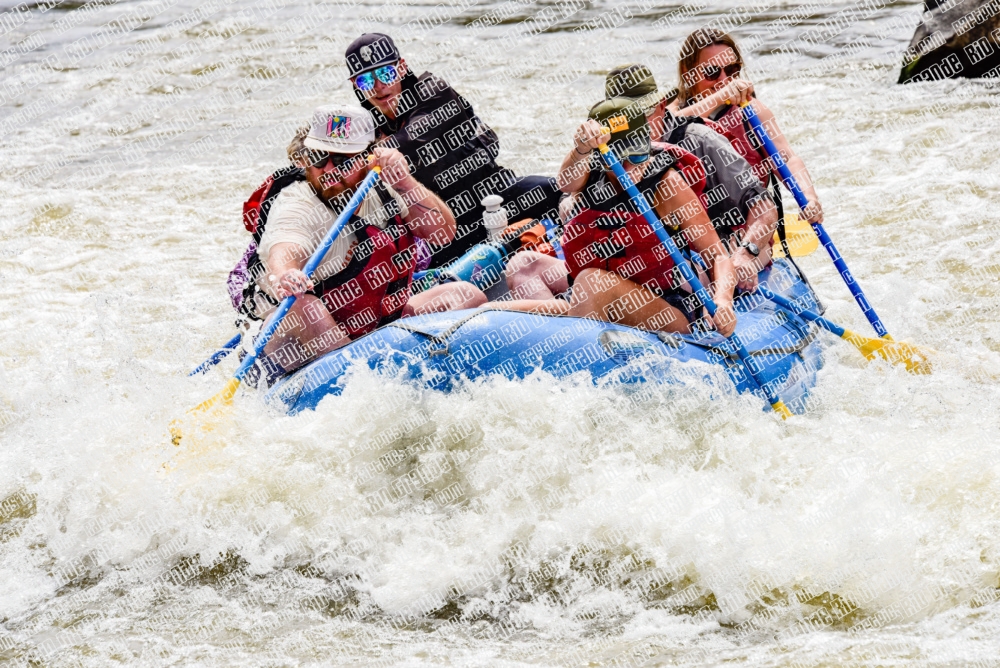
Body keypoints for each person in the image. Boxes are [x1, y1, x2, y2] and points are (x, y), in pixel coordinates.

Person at [243, 105, 487, 381]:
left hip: (372, 329)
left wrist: (405, 181)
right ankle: (364, 385)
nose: (329, 170)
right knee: (304, 307)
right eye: (318, 157)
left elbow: (442, 234)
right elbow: (285, 247)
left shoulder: (384, 183)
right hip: (290, 350)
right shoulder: (297, 203)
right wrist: (287, 273)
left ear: (369, 158)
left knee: (465, 295)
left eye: (342, 160)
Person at [503, 99, 737, 335]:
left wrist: (723, 301)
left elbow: (717, 255)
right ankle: (554, 331)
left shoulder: (667, 186)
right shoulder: (589, 174)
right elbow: (565, 183)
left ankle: (574, 342)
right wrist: (581, 148)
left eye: (635, 156)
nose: (626, 168)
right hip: (598, 293)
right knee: (523, 265)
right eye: (614, 159)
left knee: (591, 282)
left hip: (667, 308)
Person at [345, 32, 563, 268]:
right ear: (355, 85)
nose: (378, 87)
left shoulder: (435, 92)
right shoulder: (365, 125)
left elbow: (411, 140)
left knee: (551, 189)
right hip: (446, 222)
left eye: (385, 74)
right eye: (366, 81)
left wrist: (364, 154)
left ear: (402, 67)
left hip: (494, 196)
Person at [669, 28, 824, 226]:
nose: (724, 80)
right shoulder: (671, 108)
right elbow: (670, 129)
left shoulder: (752, 112)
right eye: (712, 71)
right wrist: (721, 96)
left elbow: (786, 158)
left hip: (748, 225)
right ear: (687, 73)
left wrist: (810, 198)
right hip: (694, 228)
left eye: (732, 70)